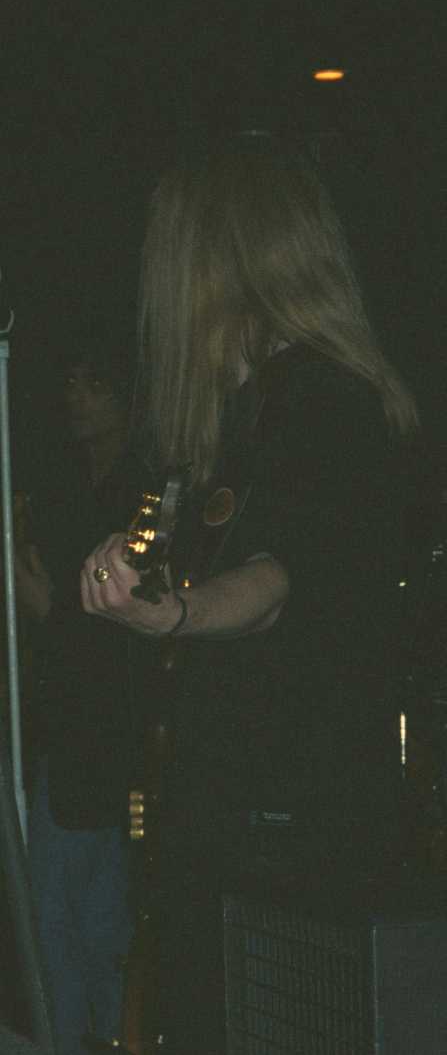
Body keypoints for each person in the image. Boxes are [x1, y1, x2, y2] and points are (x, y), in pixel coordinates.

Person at [80, 139, 419, 1053]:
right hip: (240, 818)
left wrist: (177, 611)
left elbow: (278, 577)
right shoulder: (231, 420)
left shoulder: (323, 400)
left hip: (288, 831)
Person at [16, 340, 148, 1055]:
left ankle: (93, 1036)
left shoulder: (143, 490)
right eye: (69, 383)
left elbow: (123, 618)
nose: (75, 398)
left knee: (78, 910)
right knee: (78, 907)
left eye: (90, 384)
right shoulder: (66, 486)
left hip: (110, 726)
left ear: (122, 397)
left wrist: (46, 607)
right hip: (66, 720)